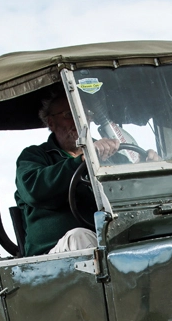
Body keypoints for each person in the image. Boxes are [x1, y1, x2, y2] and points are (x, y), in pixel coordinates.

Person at [14, 93, 120, 256]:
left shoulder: (108, 154)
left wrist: (148, 162)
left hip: (111, 239)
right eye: (69, 115)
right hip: (55, 254)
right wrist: (84, 160)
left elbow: (134, 184)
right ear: (51, 122)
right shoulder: (34, 156)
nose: (80, 121)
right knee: (79, 238)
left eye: (85, 115)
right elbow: (33, 189)